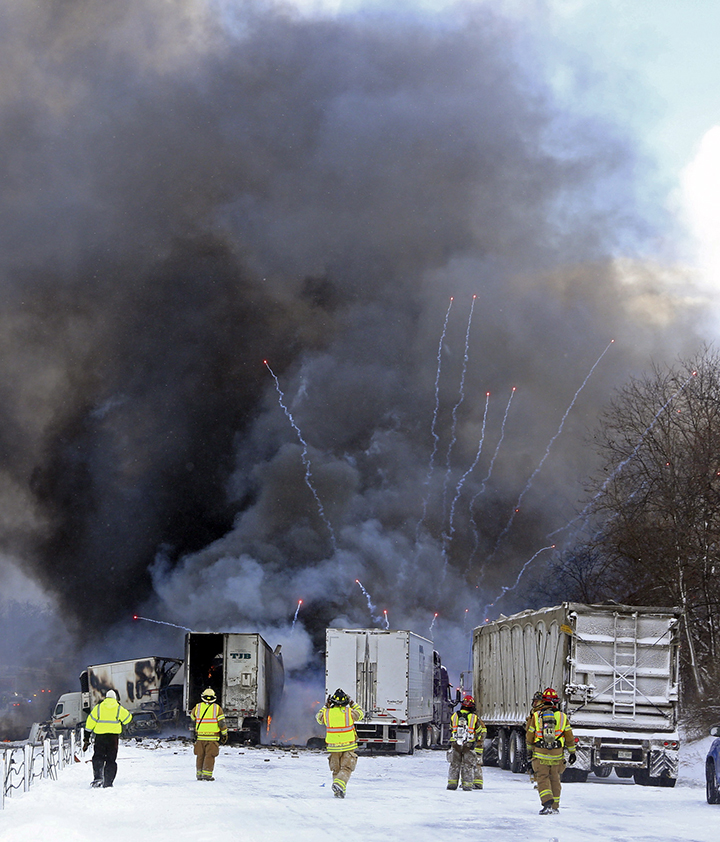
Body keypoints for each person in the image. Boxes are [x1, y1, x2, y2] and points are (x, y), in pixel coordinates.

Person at [525, 687, 577, 814]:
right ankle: (555, 806)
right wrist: (572, 752)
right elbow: (569, 737)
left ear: (543, 701)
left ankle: (547, 804)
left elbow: (530, 736)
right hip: (557, 755)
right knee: (555, 778)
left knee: (542, 778)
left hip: (540, 754)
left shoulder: (536, 716)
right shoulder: (563, 717)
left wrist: (529, 751)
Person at [315, 688, 364, 798]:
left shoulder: (327, 713)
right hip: (348, 745)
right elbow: (361, 714)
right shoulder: (349, 712)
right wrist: (353, 703)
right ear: (346, 702)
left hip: (333, 747)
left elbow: (318, 718)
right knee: (346, 768)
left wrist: (325, 706)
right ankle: (339, 785)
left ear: (332, 702)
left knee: (336, 769)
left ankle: (339, 791)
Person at [82, 689, 133, 788]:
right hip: (113, 738)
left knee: (98, 757)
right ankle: (108, 782)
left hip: (100, 737)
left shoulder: (98, 708)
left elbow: (89, 723)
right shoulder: (118, 708)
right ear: (115, 698)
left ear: (106, 697)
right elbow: (128, 719)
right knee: (111, 760)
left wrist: (86, 737)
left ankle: (98, 778)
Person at [446, 694, 486, 791]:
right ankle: (467, 785)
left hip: (455, 744)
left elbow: (451, 729)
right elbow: (480, 730)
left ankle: (452, 784)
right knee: (468, 765)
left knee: (454, 764)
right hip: (469, 744)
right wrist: (476, 741)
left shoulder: (454, 716)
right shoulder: (474, 717)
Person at [191, 687, 228, 781]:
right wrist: (224, 734)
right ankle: (207, 775)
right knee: (209, 756)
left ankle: (199, 774)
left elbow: (192, 718)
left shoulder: (197, 707)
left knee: (200, 756)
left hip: (200, 737)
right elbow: (221, 723)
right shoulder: (217, 708)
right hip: (212, 738)